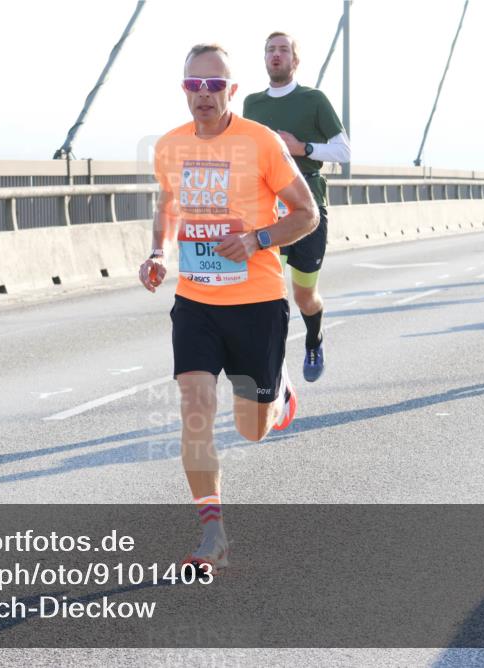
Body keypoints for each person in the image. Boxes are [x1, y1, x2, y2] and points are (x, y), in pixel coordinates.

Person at [139, 43, 317, 573]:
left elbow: (306, 213)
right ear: (184, 90)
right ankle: (212, 533)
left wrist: (259, 238)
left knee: (251, 428)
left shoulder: (260, 142)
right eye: (194, 85)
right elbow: (168, 206)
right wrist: (157, 252)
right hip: (196, 301)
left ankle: (278, 391)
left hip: (257, 303)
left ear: (231, 90)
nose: (204, 95)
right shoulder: (170, 147)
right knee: (195, 410)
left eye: (214, 85)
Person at [242, 32, 351, 382]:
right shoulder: (251, 104)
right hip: (267, 211)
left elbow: (344, 152)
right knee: (269, 294)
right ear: (264, 58)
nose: (276, 55)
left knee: (305, 297)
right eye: (270, 49)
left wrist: (301, 147)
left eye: (283, 50)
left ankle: (314, 337)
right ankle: (273, 370)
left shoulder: (314, 99)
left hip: (307, 209)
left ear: (295, 60)